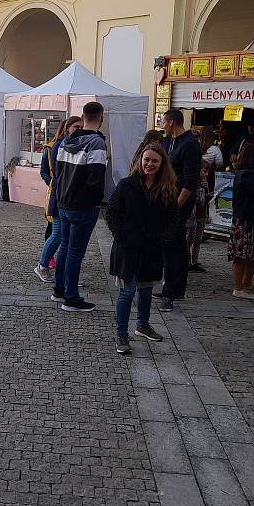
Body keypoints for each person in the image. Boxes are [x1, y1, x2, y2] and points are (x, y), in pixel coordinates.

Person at [107, 144, 179, 354]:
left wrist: (162, 238)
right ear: (140, 160)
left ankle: (143, 325)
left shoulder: (167, 189)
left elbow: (174, 220)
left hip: (151, 249)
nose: (149, 164)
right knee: (127, 292)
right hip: (128, 248)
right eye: (146, 159)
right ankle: (121, 334)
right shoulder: (127, 185)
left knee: (146, 289)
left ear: (162, 164)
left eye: (154, 161)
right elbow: (112, 212)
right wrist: (120, 235)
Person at [52, 101, 107, 312]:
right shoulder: (97, 144)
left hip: (64, 202)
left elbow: (58, 172)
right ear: (100, 119)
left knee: (65, 247)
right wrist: (95, 201)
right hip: (83, 205)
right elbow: (96, 178)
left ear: (82, 118)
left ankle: (59, 289)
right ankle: (71, 297)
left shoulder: (67, 141)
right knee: (75, 252)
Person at [158, 109, 201, 312]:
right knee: (172, 246)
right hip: (167, 200)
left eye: (164, 122)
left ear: (172, 122)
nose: (162, 126)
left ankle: (171, 291)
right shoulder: (168, 142)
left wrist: (177, 206)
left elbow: (191, 181)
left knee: (173, 245)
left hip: (180, 203)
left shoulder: (190, 144)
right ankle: (174, 287)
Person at [35, 116, 82, 282]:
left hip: (68, 195)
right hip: (58, 194)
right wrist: (53, 183)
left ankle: (58, 271)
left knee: (63, 236)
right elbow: (47, 171)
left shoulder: (75, 145)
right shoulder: (55, 146)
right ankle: (42, 265)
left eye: (81, 127)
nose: (79, 129)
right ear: (67, 127)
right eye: (76, 126)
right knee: (57, 235)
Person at [228, 143, 254, 299]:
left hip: (252, 220)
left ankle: (247, 283)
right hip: (246, 221)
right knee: (242, 254)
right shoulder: (247, 176)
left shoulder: (246, 174)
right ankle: (239, 287)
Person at [187, 161, 210, 273]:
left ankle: (194, 261)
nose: (206, 175)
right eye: (204, 171)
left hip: (202, 214)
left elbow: (204, 199)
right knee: (189, 239)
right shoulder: (194, 183)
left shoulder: (205, 183)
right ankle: (187, 260)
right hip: (194, 215)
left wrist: (208, 195)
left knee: (198, 239)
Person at [199, 124, 224, 191]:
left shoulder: (195, 147)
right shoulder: (215, 150)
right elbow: (220, 166)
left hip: (196, 178)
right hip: (210, 180)